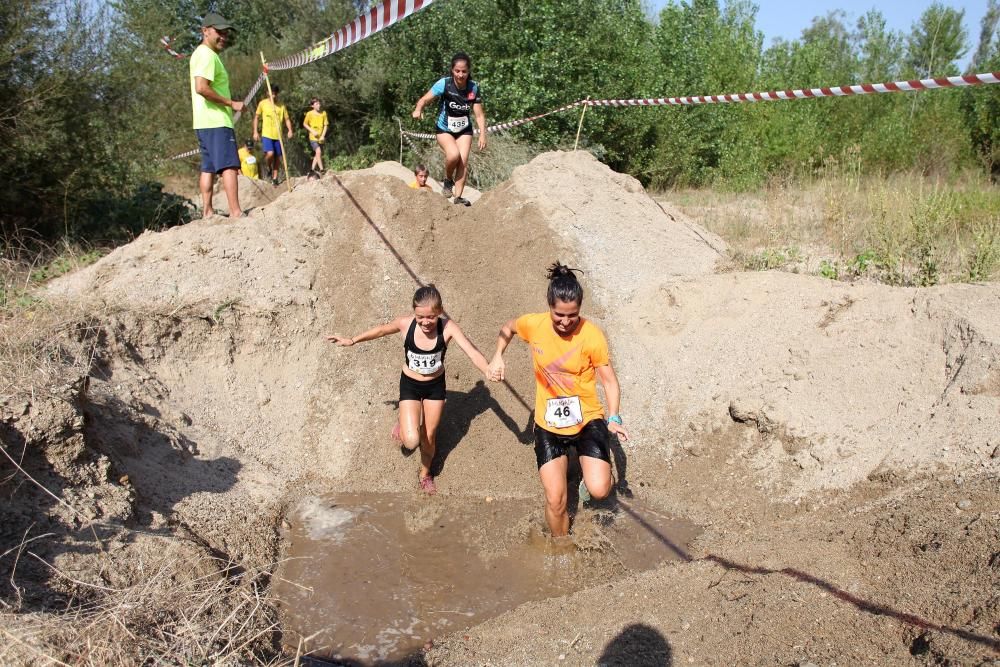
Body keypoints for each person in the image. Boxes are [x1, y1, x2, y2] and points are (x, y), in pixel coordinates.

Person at [487, 262, 630, 538]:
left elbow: (609, 381)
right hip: (548, 425)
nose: (565, 322)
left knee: (601, 489)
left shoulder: (592, 335)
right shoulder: (534, 325)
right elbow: (508, 327)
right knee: (556, 500)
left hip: (587, 419)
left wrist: (613, 417)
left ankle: (582, 473)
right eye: (559, 315)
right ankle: (561, 547)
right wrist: (497, 355)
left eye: (572, 316)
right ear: (549, 307)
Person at [327, 285, 491, 494]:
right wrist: (352, 340)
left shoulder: (448, 327)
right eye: (420, 317)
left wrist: (486, 369)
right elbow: (381, 330)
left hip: (435, 387)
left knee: (429, 436)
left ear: (439, 312)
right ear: (414, 313)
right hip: (410, 386)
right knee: (411, 440)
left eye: (430, 317)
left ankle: (425, 474)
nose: (425, 322)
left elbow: (472, 352)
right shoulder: (406, 324)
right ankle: (404, 418)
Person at [411, 52, 486, 207]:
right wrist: (418, 109)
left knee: (463, 162)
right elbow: (424, 99)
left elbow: (479, 115)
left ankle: (458, 198)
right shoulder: (444, 84)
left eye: (464, 71)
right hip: (444, 128)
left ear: (469, 71)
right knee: (453, 155)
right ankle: (447, 180)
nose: (461, 75)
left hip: (464, 129)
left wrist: (483, 135)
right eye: (457, 71)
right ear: (452, 70)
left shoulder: (473, 88)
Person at [189, 12, 244, 218]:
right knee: (229, 164)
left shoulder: (202, 54)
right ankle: (236, 212)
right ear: (205, 31)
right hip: (216, 120)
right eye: (219, 32)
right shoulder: (206, 55)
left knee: (208, 167)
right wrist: (231, 103)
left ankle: (208, 212)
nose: (223, 36)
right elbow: (201, 88)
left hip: (203, 121)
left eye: (226, 33)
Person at [253, 84, 294, 185]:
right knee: (270, 154)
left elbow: (287, 119)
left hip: (278, 135)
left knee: (277, 157)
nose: (273, 95)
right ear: (267, 93)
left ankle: (275, 178)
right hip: (267, 134)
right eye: (272, 93)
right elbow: (257, 117)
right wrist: (255, 131)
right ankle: (267, 166)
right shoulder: (262, 104)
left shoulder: (281, 106)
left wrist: (290, 130)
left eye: (275, 93)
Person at [303, 98, 328, 174]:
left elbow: (326, 125)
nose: (319, 105)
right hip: (313, 137)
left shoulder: (323, 113)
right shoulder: (309, 114)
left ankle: (312, 169)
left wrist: (323, 136)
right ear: (312, 106)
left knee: (317, 154)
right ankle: (322, 169)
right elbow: (304, 124)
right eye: (316, 104)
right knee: (318, 151)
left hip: (321, 138)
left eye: (319, 103)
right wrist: (312, 131)